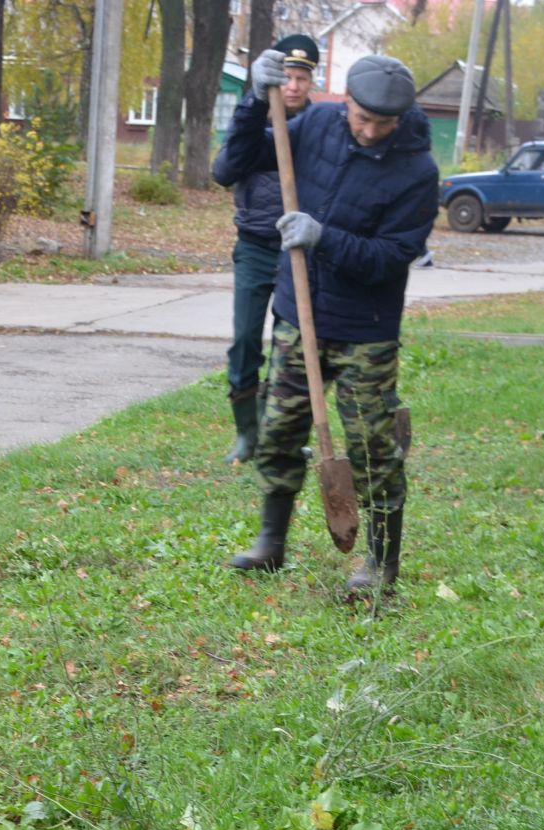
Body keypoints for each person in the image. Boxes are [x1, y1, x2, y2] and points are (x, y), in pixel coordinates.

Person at [214, 51, 438, 598]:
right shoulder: (317, 124)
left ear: (399, 119)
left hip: (366, 327)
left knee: (371, 448)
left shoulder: (417, 171)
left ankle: (381, 564)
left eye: (381, 124)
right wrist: (251, 100)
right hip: (298, 313)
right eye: (361, 118)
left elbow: (391, 256)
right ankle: (271, 544)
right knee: (278, 432)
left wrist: (324, 237)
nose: (368, 131)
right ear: (347, 107)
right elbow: (233, 165)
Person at [210, 34, 318, 464]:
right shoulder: (253, 123)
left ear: (311, 82)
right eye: (286, 76)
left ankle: (282, 436)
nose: (292, 86)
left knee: (292, 344)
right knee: (245, 342)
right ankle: (247, 435)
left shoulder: (319, 128)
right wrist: (255, 101)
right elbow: (224, 169)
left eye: (301, 78)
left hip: (300, 250)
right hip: (255, 245)